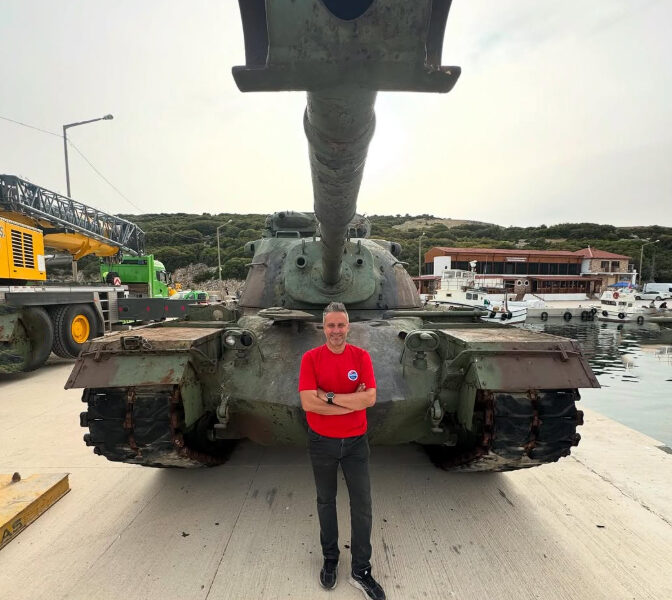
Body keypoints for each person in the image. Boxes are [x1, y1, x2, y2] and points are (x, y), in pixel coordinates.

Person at [298, 302, 385, 600]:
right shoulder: (311, 358)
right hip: (321, 442)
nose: (336, 330)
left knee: (362, 504)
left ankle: (361, 569)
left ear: (348, 327)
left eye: (341, 325)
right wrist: (351, 402)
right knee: (326, 501)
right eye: (331, 325)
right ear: (324, 328)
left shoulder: (361, 357)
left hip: (356, 443)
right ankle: (330, 558)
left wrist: (329, 397)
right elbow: (308, 403)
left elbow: (369, 399)